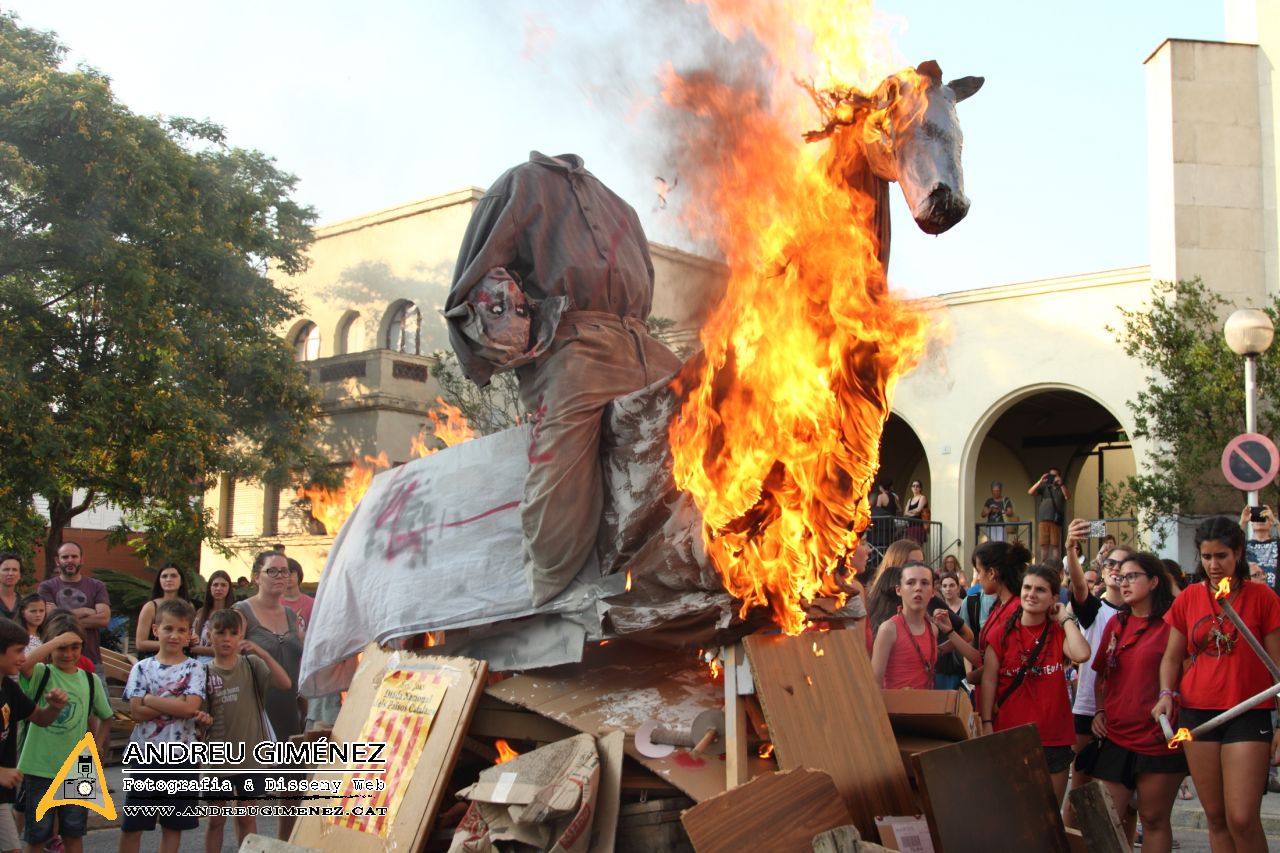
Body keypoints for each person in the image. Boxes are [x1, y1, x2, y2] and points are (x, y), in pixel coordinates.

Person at [444, 153, 683, 607]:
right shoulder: (520, 185)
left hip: (640, 341)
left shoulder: (619, 206)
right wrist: (501, 341)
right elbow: (474, 280)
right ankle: (549, 595)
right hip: (574, 343)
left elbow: (644, 282)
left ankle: (678, 576)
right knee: (563, 470)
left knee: (707, 424)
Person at [1152, 516, 1280, 853]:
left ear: (1238, 553)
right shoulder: (1189, 597)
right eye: (1207, 557)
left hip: (1249, 712)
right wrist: (1166, 694)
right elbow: (1170, 658)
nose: (1214, 565)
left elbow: (1278, 668)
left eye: (1221, 556)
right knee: (1217, 817)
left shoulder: (1263, 596)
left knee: (1242, 817)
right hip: (1198, 714)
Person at [1077, 552, 1183, 853]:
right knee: (1103, 818)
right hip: (1116, 735)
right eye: (1120, 577)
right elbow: (1100, 676)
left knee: (1153, 819)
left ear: (1153, 581)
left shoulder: (1172, 624)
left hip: (1157, 738)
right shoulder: (1116, 624)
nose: (1124, 583)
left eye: (1132, 576)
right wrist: (1099, 709)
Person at [980, 563, 1091, 805]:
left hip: (1054, 737)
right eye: (1027, 587)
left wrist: (1064, 618)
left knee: (1049, 814)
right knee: (1011, 812)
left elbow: (1082, 654)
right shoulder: (1000, 633)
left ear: (1053, 597)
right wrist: (987, 721)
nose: (1031, 594)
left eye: (1040, 590)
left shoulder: (1058, 631)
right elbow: (989, 680)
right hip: (1010, 734)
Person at [200, 609, 291, 853]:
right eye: (220, 633)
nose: (227, 638)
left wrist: (262, 652)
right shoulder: (204, 673)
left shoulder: (252, 665)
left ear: (241, 635)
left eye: (233, 633)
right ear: (210, 635)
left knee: (246, 817)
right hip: (217, 760)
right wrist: (201, 720)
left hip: (250, 757)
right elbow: (197, 719)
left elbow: (285, 683)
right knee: (216, 820)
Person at [119, 599, 206, 853]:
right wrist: (174, 701)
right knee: (133, 825)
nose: (174, 635)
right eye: (168, 629)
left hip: (182, 757)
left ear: (190, 634)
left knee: (173, 826)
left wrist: (149, 698)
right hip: (146, 755)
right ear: (156, 630)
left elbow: (191, 708)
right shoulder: (141, 668)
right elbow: (137, 712)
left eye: (181, 630)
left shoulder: (196, 668)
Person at [1061, 519, 1133, 828]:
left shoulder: (1144, 616)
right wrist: (1071, 549)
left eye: (1125, 565)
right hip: (1089, 710)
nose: (1117, 569)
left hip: (1128, 715)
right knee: (1081, 792)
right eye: (1111, 564)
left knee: (1127, 804)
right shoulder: (1094, 610)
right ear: (1103, 572)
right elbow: (1078, 587)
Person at [17, 623, 112, 853]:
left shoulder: (90, 680)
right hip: (40, 767)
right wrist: (53, 642)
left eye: (75, 647)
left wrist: (98, 743)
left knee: (73, 833)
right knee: (37, 835)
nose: (68, 654)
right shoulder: (42, 673)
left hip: (78, 769)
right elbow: (24, 664)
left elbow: (106, 716)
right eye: (62, 647)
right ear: (51, 647)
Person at [233, 552, 304, 840]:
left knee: (292, 795)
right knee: (249, 798)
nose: (280, 577)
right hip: (255, 712)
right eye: (272, 571)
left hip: (290, 711)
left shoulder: (290, 614)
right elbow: (227, 658)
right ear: (256, 576)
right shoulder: (241, 611)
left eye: (284, 572)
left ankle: (283, 847)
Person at [0, 620, 67, 853]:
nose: (23, 657)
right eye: (18, 651)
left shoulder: (8, 687)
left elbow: (40, 718)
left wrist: (55, 707)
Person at [872, 563, 976, 689]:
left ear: (933, 592)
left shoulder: (933, 628)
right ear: (899, 590)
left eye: (925, 583)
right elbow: (874, 685)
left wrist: (947, 635)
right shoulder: (889, 629)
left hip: (928, 704)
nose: (918, 588)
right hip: (896, 707)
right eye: (910, 583)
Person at [965, 540, 1031, 697]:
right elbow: (985, 658)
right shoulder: (999, 606)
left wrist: (974, 676)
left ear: (992, 573)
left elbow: (1005, 663)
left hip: (1007, 701)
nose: (978, 577)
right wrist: (951, 633)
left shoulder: (1017, 609)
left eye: (978, 571)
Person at [36, 544, 109, 669]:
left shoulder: (97, 586)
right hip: (55, 660)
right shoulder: (46, 587)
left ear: (82, 559)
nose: (70, 560)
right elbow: (49, 618)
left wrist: (61, 617)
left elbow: (103, 619)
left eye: (74, 556)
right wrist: (85, 611)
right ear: (57, 561)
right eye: (65, 557)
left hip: (91, 659)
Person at [133, 564, 192, 657]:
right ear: (159, 581)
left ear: (181, 581)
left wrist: (193, 639)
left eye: (173, 576)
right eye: (164, 576)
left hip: (183, 662)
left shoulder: (189, 606)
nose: (168, 579)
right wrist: (173, 643)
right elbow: (140, 643)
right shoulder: (150, 607)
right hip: (154, 662)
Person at [935, 569, 968, 689]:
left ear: (958, 588)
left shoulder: (967, 605)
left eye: (951, 585)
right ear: (941, 589)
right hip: (942, 664)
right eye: (944, 586)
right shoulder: (937, 607)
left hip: (963, 660)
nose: (948, 589)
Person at [1028, 468, 1069, 564]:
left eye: (1055, 475)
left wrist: (1061, 484)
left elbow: (1067, 497)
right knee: (1044, 544)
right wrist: (1040, 481)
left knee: (1055, 545)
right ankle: (1043, 564)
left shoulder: (1061, 488)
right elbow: (1030, 492)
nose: (1053, 478)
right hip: (1043, 519)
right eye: (1051, 475)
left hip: (1055, 520)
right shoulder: (1045, 487)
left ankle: (1056, 565)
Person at [191, 571, 234, 661]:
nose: (218, 588)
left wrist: (197, 649)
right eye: (215, 585)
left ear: (229, 588)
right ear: (209, 588)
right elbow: (192, 640)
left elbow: (230, 649)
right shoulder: (201, 612)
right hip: (198, 665)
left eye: (223, 585)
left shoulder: (233, 614)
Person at [1240, 504, 1278, 591]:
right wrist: (1243, 521)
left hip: (1275, 594)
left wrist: (1274, 521)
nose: (1260, 520)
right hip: (1251, 593)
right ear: (1251, 524)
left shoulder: (1277, 543)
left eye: (1264, 517)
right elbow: (1229, 545)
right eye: (1256, 517)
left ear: (1270, 524)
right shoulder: (1244, 545)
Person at [280, 559, 314, 628]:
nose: (287, 577)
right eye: (284, 573)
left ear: (299, 575)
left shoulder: (312, 604)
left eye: (291, 572)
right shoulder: (272, 604)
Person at [0, 557, 22, 625]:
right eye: (6, 569)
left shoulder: (24, 602)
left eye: (15, 570)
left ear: (19, 575)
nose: (10, 573)